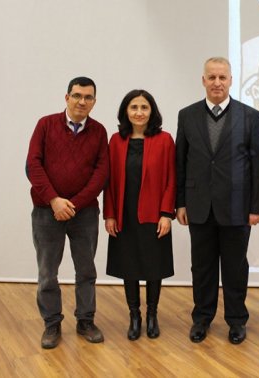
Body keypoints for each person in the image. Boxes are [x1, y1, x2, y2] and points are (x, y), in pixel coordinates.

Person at [176, 57, 259, 345]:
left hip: (238, 207)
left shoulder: (249, 116)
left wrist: (257, 207)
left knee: (235, 267)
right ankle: (202, 319)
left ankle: (236, 320)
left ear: (231, 80)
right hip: (199, 205)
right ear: (203, 80)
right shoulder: (187, 115)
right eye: (212, 77)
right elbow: (180, 162)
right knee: (202, 267)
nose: (217, 83)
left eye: (222, 77)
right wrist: (180, 203)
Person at [26, 76, 109, 349]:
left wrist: (73, 204)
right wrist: (54, 201)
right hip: (46, 211)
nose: (82, 101)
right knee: (47, 271)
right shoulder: (45, 125)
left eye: (88, 97)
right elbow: (33, 165)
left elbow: (101, 174)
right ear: (67, 97)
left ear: (94, 102)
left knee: (86, 270)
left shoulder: (99, 132)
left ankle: (85, 321)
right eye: (77, 96)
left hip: (84, 214)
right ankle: (52, 323)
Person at [103, 89, 175, 341]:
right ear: (126, 111)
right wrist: (110, 214)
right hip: (124, 216)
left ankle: (152, 315)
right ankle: (134, 316)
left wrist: (166, 214)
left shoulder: (165, 140)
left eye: (144, 107)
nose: (139, 112)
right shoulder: (115, 141)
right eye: (134, 107)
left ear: (152, 111)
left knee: (154, 266)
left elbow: (172, 178)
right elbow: (108, 182)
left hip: (154, 215)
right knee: (129, 266)